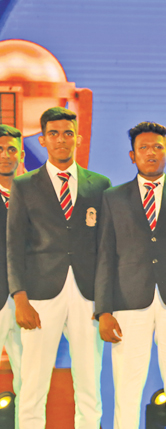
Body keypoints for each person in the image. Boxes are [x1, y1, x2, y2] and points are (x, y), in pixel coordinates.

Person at [94, 121, 166, 429]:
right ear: (132, 156)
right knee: (127, 389)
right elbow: (104, 256)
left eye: (157, 147)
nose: (151, 153)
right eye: (144, 148)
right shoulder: (113, 198)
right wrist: (103, 311)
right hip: (128, 302)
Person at [7, 107, 111, 429]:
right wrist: (20, 298)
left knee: (90, 385)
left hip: (88, 295)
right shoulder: (24, 186)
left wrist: (106, 303)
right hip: (39, 294)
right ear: (42, 139)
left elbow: (107, 249)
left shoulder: (100, 184)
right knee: (33, 385)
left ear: (77, 138)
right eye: (53, 134)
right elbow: (14, 245)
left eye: (68, 133)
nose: (61, 140)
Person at [0, 124, 24, 428]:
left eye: (11, 150)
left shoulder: (33, 193)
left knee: (29, 378)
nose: (5, 156)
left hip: (26, 297)